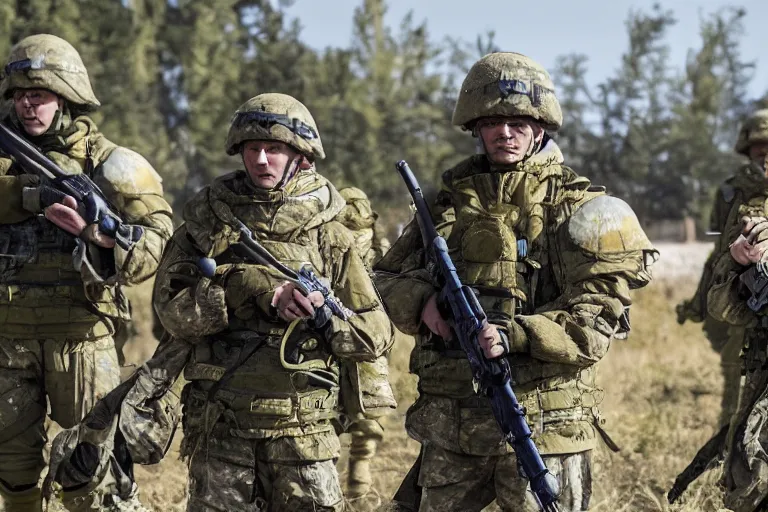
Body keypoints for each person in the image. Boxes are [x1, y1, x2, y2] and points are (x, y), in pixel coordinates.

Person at [374, 52, 658, 512]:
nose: (504, 132)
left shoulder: (581, 208)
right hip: (453, 424)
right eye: (492, 121)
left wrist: (514, 335)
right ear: (475, 127)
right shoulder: (444, 206)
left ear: (540, 127)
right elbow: (382, 278)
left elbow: (595, 320)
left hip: (544, 425)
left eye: (518, 122)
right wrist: (422, 300)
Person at [152, 93, 396, 511]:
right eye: (253, 149)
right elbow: (169, 313)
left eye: (275, 149)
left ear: (300, 156)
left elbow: (376, 333)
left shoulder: (329, 234)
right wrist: (239, 288)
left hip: (305, 431)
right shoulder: (207, 223)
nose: (262, 160)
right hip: (222, 424)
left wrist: (324, 317)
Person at [0, 34, 173, 511]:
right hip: (7, 338)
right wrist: (31, 196)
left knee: (89, 474)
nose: (27, 105)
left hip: (82, 336)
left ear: (67, 96)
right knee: (13, 475)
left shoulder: (109, 161)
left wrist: (99, 237)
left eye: (39, 95)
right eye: (19, 95)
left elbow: (157, 237)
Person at [676, 109, 768, 428]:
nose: (765, 152)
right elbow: (717, 251)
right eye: (759, 146)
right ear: (748, 148)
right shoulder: (731, 191)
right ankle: (728, 435)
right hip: (738, 285)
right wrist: (702, 299)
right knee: (734, 363)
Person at [701, 117, 768, 512]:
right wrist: (744, 272)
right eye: (760, 153)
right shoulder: (748, 220)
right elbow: (720, 304)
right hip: (761, 370)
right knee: (750, 483)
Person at [336, 186, 395, 506]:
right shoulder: (376, 237)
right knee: (370, 415)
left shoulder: (329, 230)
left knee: (329, 415)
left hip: (331, 337)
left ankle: (342, 483)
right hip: (371, 340)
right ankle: (359, 484)